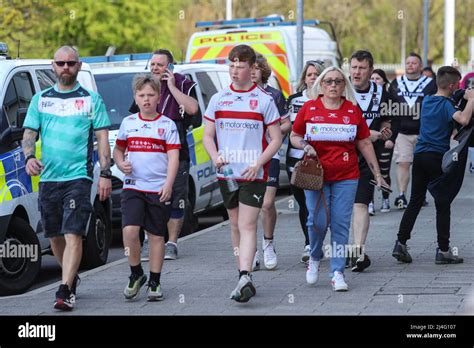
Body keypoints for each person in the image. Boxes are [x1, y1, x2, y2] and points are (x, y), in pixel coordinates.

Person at [22, 46, 112, 310]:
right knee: (54, 236)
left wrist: (105, 173)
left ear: (79, 66)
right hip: (48, 178)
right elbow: (29, 134)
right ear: (53, 65)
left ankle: (64, 291)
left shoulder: (92, 100)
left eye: (70, 63)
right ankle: (70, 278)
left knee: (73, 233)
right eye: (60, 63)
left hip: (78, 177)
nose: (65, 68)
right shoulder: (40, 99)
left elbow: (102, 141)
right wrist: (29, 158)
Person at [290, 66, 384, 291]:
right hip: (316, 176)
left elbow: (364, 142)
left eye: (338, 81)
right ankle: (314, 256)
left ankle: (337, 272)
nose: (333, 85)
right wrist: (306, 145)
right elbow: (294, 135)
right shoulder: (310, 108)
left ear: (344, 86)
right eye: (329, 81)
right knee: (317, 222)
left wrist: (378, 173)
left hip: (347, 175)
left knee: (341, 224)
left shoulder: (352, 111)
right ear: (321, 85)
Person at [203, 44, 282, 302]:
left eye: (240, 66)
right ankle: (242, 274)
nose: (234, 71)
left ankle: (246, 274)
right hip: (227, 173)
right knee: (235, 225)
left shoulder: (263, 99)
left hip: (252, 173)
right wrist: (216, 157)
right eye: (232, 66)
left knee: (247, 224)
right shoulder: (218, 99)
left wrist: (259, 163)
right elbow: (207, 136)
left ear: (252, 69)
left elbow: (276, 139)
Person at [392, 66, 474, 264]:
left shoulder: (427, 100)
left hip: (419, 156)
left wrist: (461, 95)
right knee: (443, 201)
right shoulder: (446, 105)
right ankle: (444, 250)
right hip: (436, 157)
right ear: (452, 86)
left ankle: (400, 243)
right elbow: (463, 119)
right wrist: (471, 100)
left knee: (415, 200)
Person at [115, 74, 180, 301]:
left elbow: (173, 158)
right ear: (135, 97)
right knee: (130, 231)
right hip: (133, 186)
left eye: (151, 95)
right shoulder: (128, 123)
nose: (146, 100)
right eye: (142, 95)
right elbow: (118, 150)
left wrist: (169, 184)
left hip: (158, 188)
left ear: (159, 97)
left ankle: (155, 281)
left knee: (155, 235)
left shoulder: (167, 125)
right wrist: (120, 163)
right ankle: (136, 274)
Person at [129, 49, 198, 261]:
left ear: (171, 67)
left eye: (160, 65)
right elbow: (135, 116)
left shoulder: (183, 84)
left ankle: (172, 243)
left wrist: (171, 87)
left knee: (176, 198)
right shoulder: (146, 87)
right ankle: (153, 240)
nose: (156, 69)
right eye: (153, 65)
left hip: (177, 153)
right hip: (149, 154)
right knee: (151, 197)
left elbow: (193, 110)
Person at [348, 51, 391, 272]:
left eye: (362, 68)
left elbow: (390, 120)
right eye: (354, 67)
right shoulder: (339, 89)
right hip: (340, 155)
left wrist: (385, 132)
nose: (356, 72)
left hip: (367, 157)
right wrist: (364, 134)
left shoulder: (382, 93)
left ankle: (358, 251)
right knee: (335, 208)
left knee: (361, 203)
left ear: (371, 70)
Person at [250, 53, 291, 270]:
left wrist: (272, 130)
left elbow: (286, 123)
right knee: (250, 206)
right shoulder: (240, 95)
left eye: (257, 68)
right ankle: (251, 250)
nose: (254, 71)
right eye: (251, 67)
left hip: (270, 153)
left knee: (266, 204)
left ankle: (268, 242)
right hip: (247, 156)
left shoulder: (274, 95)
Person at [286, 60, 325, 263]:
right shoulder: (293, 100)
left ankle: (319, 242)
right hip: (296, 161)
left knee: (319, 206)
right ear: (304, 78)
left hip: (322, 161)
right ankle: (308, 243)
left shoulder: (328, 100)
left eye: (316, 74)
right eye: (309, 74)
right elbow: (290, 128)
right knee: (304, 206)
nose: (312, 77)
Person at [389, 52, 437, 209]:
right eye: (408, 62)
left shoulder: (430, 84)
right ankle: (402, 195)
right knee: (403, 163)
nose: (410, 65)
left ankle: (420, 195)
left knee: (422, 166)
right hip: (403, 131)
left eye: (414, 63)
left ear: (420, 66)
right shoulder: (396, 83)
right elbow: (389, 106)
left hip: (424, 132)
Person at [370, 68, 395, 213]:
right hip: (368, 140)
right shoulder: (365, 97)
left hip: (384, 141)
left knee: (384, 171)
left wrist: (390, 137)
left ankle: (385, 198)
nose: (374, 81)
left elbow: (395, 121)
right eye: (372, 78)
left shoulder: (389, 98)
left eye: (377, 78)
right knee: (369, 171)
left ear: (384, 81)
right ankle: (369, 202)